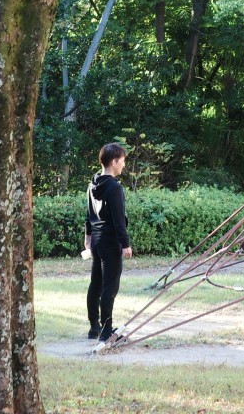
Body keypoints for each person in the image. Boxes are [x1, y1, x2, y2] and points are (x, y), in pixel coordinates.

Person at [85, 142, 132, 342]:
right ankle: (106, 331)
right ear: (114, 162)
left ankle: (94, 327)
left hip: (96, 240)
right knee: (109, 287)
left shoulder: (93, 182)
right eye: (122, 161)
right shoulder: (114, 187)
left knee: (96, 283)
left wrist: (87, 237)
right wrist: (126, 243)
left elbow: (88, 213)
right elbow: (118, 219)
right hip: (110, 242)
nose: (123, 165)